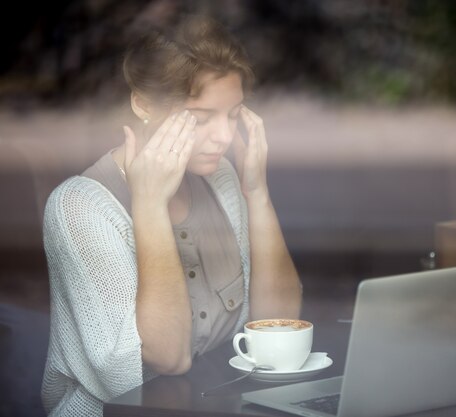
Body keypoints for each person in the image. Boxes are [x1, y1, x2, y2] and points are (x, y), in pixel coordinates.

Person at [40, 13, 302, 417]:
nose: (224, 137)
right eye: (200, 119)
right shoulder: (78, 207)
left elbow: (279, 327)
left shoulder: (222, 178)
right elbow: (168, 358)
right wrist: (148, 206)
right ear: (142, 103)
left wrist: (257, 192)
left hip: (218, 403)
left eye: (233, 115)